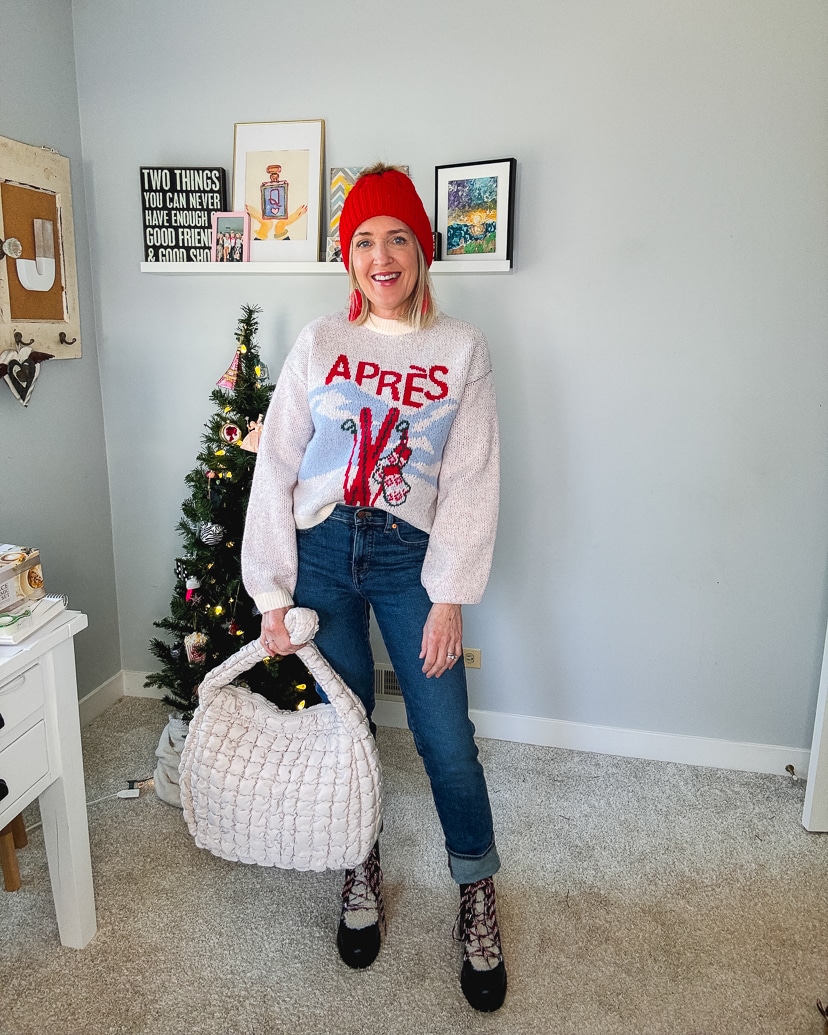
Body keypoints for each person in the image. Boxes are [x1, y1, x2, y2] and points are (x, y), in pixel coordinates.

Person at [241, 164, 505, 1012]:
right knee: (346, 732)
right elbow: (278, 465)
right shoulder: (320, 342)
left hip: (407, 559)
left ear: (422, 250)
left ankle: (476, 892)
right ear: (346, 257)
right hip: (323, 552)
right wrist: (271, 591)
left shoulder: (461, 348)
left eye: (396, 237)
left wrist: (450, 594)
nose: (380, 256)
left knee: (445, 739)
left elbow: (470, 479)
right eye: (362, 240)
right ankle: (362, 861)